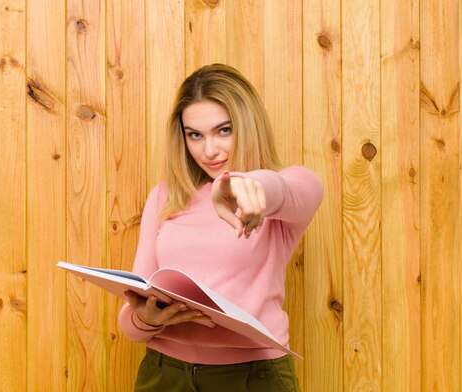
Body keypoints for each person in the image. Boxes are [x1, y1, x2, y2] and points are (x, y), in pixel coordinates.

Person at [118, 63, 323, 392]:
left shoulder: (278, 193)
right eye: (194, 135)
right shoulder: (164, 197)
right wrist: (145, 319)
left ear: (247, 125)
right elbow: (131, 315)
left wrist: (246, 185)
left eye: (223, 130)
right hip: (163, 373)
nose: (209, 150)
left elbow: (302, 187)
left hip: (251, 376)